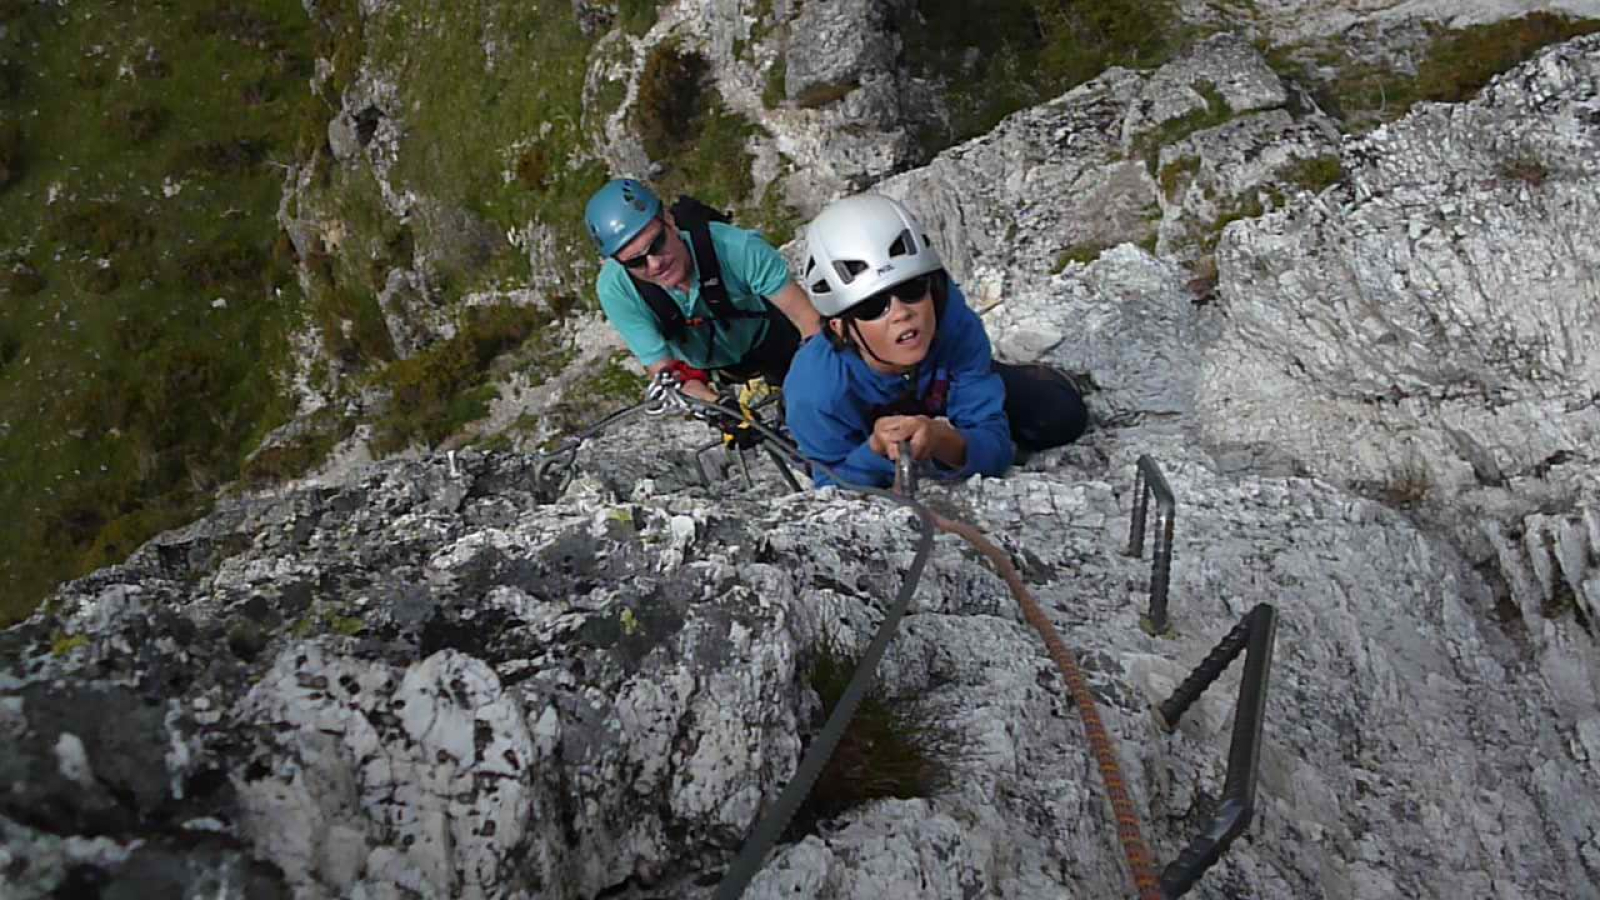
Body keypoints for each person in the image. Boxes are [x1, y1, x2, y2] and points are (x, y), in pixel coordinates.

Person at [783, 193, 1088, 489]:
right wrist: (875, 452)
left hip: (941, 384)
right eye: (872, 307)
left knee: (1060, 416)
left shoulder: (951, 321)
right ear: (840, 327)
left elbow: (994, 443)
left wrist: (941, 440)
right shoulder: (815, 392)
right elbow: (832, 486)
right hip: (887, 414)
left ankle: (1029, 376)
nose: (902, 313)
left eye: (913, 289)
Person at [585, 178, 822, 403]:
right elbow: (664, 369)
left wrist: (812, 382)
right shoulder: (616, 291)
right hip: (707, 368)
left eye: (656, 244)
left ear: (669, 220)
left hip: (771, 339)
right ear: (618, 262)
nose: (654, 264)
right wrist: (719, 407)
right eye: (635, 262)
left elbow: (809, 319)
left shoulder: (738, 249)